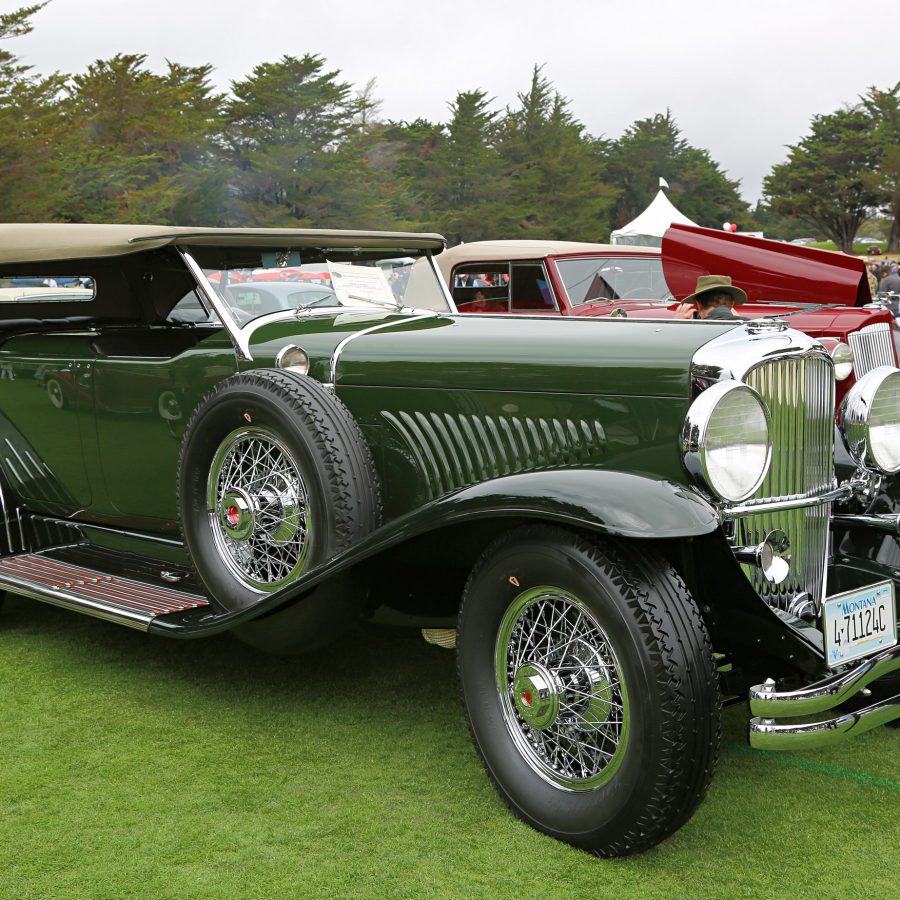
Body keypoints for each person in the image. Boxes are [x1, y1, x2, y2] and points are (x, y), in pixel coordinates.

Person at [673, 274, 747, 320]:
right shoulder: (750, 330)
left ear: (699, 305)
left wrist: (677, 323)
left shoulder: (693, 332)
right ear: (732, 304)